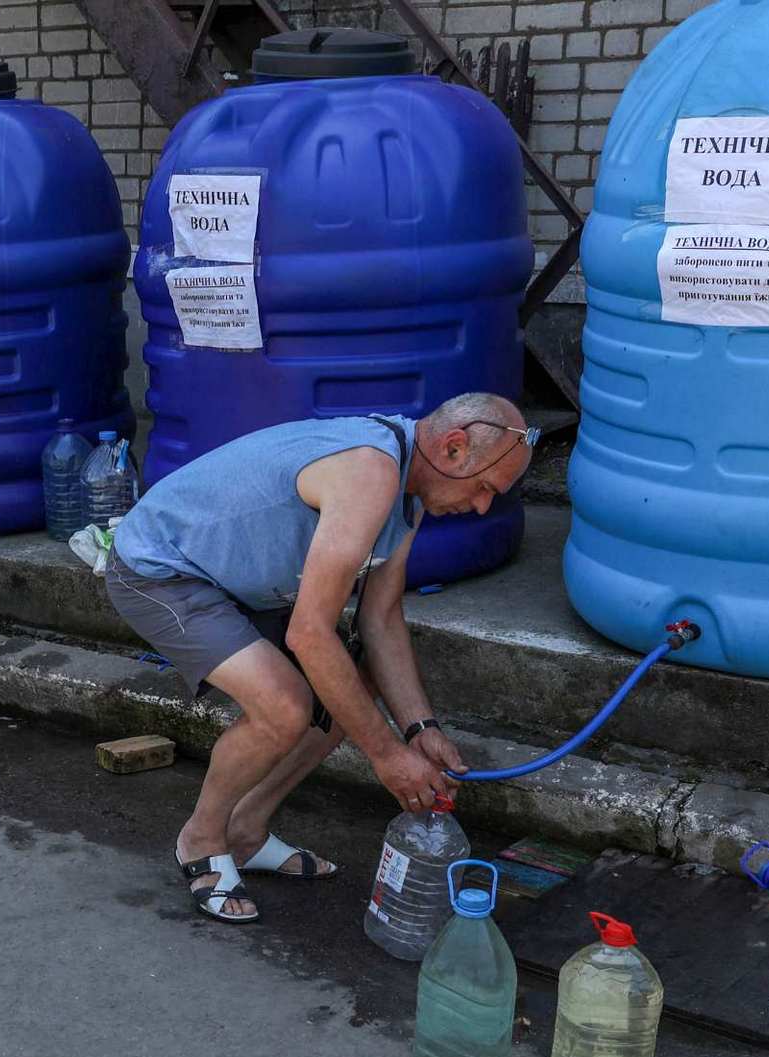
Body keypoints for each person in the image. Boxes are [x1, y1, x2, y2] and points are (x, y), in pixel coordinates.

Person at [106, 393, 535, 924]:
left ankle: (246, 831)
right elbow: (310, 634)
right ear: (453, 448)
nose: (483, 507)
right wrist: (387, 756)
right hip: (162, 568)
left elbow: (380, 619)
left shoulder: (411, 491)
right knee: (285, 706)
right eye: (485, 488)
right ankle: (201, 837)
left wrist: (419, 727)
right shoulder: (369, 473)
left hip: (242, 584)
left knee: (351, 685)